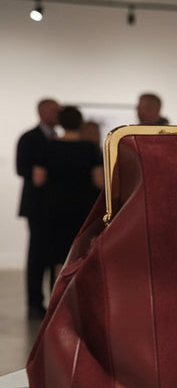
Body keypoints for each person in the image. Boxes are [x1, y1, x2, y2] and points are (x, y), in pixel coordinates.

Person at [33, 106, 104, 274]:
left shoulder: (49, 147)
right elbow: (99, 181)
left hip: (55, 207)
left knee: (58, 255)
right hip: (83, 208)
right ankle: (78, 295)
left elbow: (38, 180)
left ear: (61, 122)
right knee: (81, 252)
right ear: (80, 123)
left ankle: (59, 295)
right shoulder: (90, 148)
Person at [16, 98, 61, 319]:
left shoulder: (58, 139)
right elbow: (21, 168)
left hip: (56, 207)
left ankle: (54, 300)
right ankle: (34, 303)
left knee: (56, 255)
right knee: (37, 257)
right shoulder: (29, 138)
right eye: (54, 111)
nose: (58, 114)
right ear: (42, 113)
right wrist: (38, 174)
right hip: (37, 207)